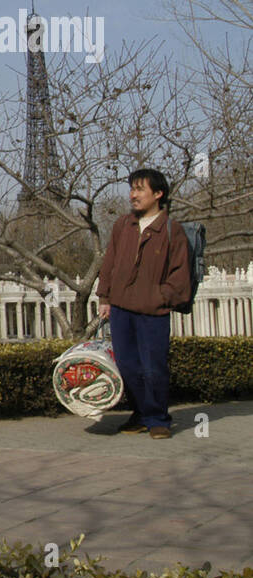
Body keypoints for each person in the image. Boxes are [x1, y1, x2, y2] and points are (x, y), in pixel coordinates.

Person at [96, 168, 191, 439]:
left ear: (158, 194)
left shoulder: (172, 230)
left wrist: (159, 297)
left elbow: (180, 276)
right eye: (132, 189)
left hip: (153, 312)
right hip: (121, 309)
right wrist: (105, 297)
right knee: (127, 366)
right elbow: (109, 263)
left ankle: (158, 418)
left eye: (139, 189)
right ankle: (139, 414)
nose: (133, 195)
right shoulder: (123, 225)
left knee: (153, 368)